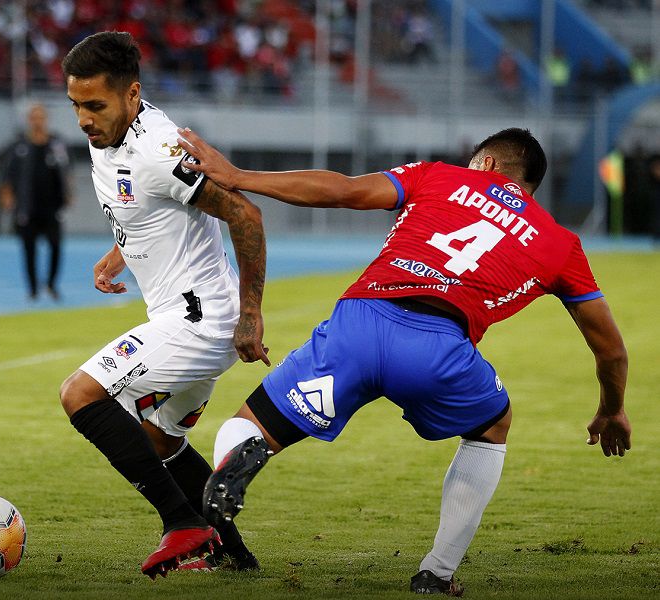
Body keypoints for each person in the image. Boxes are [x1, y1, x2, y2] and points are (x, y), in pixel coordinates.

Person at [177, 126, 631, 595]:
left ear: (488, 165)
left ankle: (240, 467)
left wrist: (239, 176)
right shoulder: (559, 243)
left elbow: (343, 191)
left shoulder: (437, 175)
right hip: (439, 348)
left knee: (251, 424)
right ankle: (437, 572)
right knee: (493, 426)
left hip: (361, 322)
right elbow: (611, 348)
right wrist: (612, 407)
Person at [58, 31, 269, 579]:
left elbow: (245, 217)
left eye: (94, 105)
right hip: (183, 316)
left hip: (201, 322)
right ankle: (231, 554)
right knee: (159, 439)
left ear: (132, 96)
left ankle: (182, 524)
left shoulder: (161, 151)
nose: (82, 118)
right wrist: (119, 254)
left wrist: (251, 316)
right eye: (75, 104)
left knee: (81, 395)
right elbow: (144, 207)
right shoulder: (108, 132)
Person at [0, 104, 72, 300]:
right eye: (34, 117)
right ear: (29, 120)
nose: (38, 121)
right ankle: (32, 288)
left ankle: (51, 284)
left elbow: (66, 170)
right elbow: (7, 175)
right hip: (27, 207)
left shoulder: (57, 144)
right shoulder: (19, 145)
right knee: (29, 250)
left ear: (46, 119)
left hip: (52, 206)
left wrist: (68, 194)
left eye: (41, 117)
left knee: (56, 245)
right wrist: (7, 196)